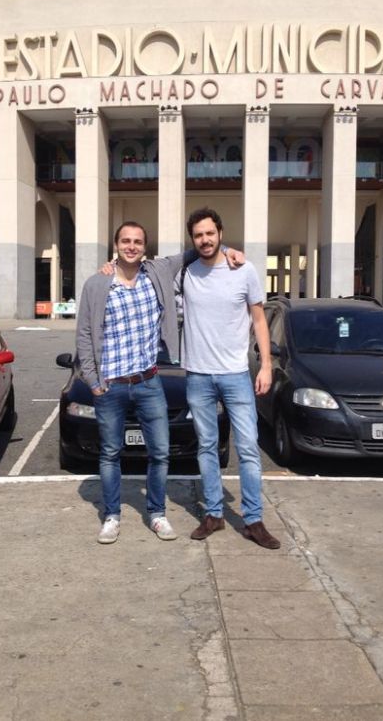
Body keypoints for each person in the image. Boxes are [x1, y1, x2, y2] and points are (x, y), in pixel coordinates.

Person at [77, 221, 242, 544]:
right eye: (125, 241)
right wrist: (92, 380)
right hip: (110, 384)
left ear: (145, 247)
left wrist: (228, 249)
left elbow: (197, 250)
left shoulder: (157, 272)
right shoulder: (98, 284)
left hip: (149, 381)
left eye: (138, 241)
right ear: (116, 245)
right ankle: (112, 516)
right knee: (110, 453)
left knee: (160, 452)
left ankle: (156, 513)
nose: (131, 246)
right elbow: (84, 333)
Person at [181, 208, 281, 550]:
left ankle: (253, 520)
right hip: (197, 375)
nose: (205, 240)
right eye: (198, 235)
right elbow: (146, 266)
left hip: (236, 374)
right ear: (192, 240)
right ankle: (213, 513)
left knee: (249, 448)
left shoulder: (245, 270)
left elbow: (259, 321)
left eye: (210, 233)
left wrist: (265, 365)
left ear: (220, 232)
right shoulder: (187, 272)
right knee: (207, 447)